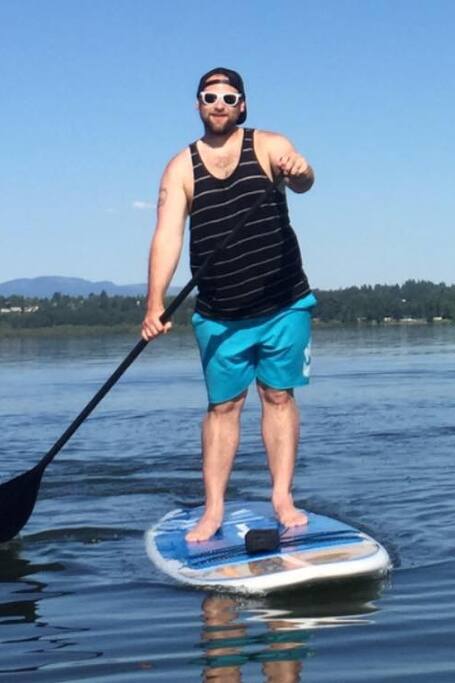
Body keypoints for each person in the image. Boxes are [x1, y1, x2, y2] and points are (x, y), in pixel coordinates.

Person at [142, 67, 316, 542]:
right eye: (210, 96)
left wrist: (300, 170)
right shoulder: (181, 168)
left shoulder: (268, 145)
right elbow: (167, 236)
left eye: (229, 97)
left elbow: (302, 178)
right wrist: (155, 303)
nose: (219, 104)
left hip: (284, 303)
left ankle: (281, 498)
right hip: (219, 312)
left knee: (278, 396)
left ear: (243, 105)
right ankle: (213, 509)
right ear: (198, 105)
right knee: (223, 407)